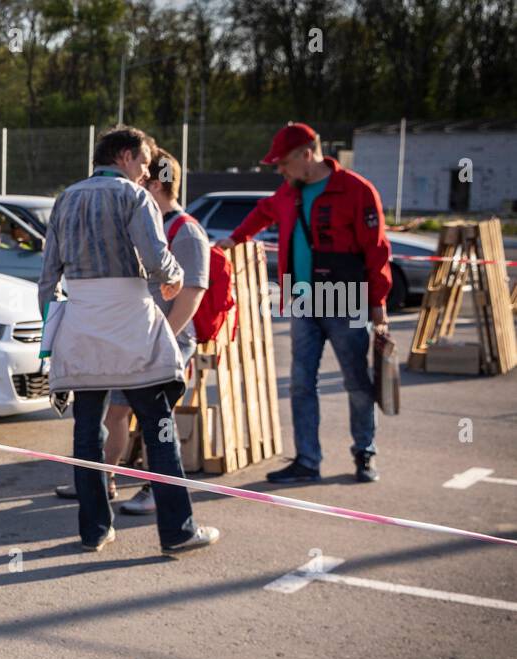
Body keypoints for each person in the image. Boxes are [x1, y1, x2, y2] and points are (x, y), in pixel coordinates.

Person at [39, 126, 219, 556]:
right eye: (142, 160)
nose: (145, 171)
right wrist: (173, 278)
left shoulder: (66, 198)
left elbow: (48, 277)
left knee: (87, 432)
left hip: (81, 325)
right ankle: (177, 529)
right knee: (158, 426)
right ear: (123, 156)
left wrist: (53, 325)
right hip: (129, 323)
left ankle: (94, 529)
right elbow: (157, 259)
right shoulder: (134, 197)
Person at [219, 122, 391, 484]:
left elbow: (377, 251)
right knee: (301, 383)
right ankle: (308, 461)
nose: (280, 171)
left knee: (356, 381)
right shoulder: (288, 192)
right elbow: (263, 212)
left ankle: (365, 452)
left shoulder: (356, 190)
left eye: (283, 163)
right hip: (302, 299)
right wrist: (232, 242)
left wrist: (379, 307)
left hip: (344, 298)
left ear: (306, 155)